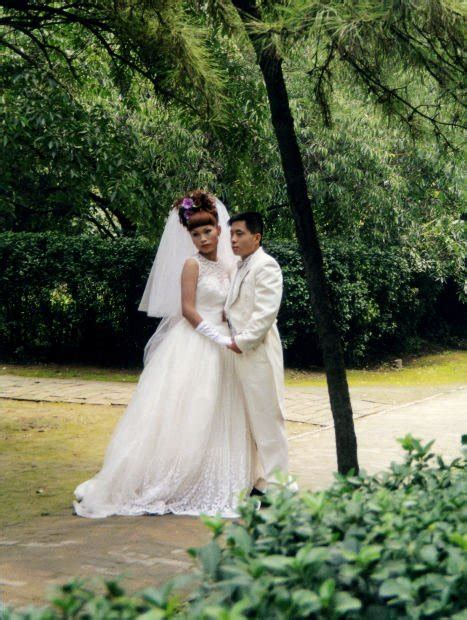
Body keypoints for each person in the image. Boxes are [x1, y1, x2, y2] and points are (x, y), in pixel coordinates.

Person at [73, 191, 256, 518]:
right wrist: (217, 336)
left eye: (208, 231)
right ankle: (171, 479)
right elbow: (188, 310)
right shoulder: (191, 265)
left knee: (220, 413)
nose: (203, 238)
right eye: (196, 234)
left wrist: (234, 333)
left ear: (219, 230)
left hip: (225, 345)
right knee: (189, 411)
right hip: (196, 341)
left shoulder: (229, 266)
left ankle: (212, 475)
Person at [224, 212, 292, 494]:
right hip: (238, 354)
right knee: (247, 421)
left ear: (256, 237)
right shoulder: (239, 266)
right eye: (231, 234)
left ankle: (280, 487)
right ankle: (257, 480)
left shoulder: (267, 266)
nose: (233, 239)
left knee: (268, 420)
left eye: (239, 233)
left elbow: (265, 314)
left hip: (259, 353)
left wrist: (241, 342)